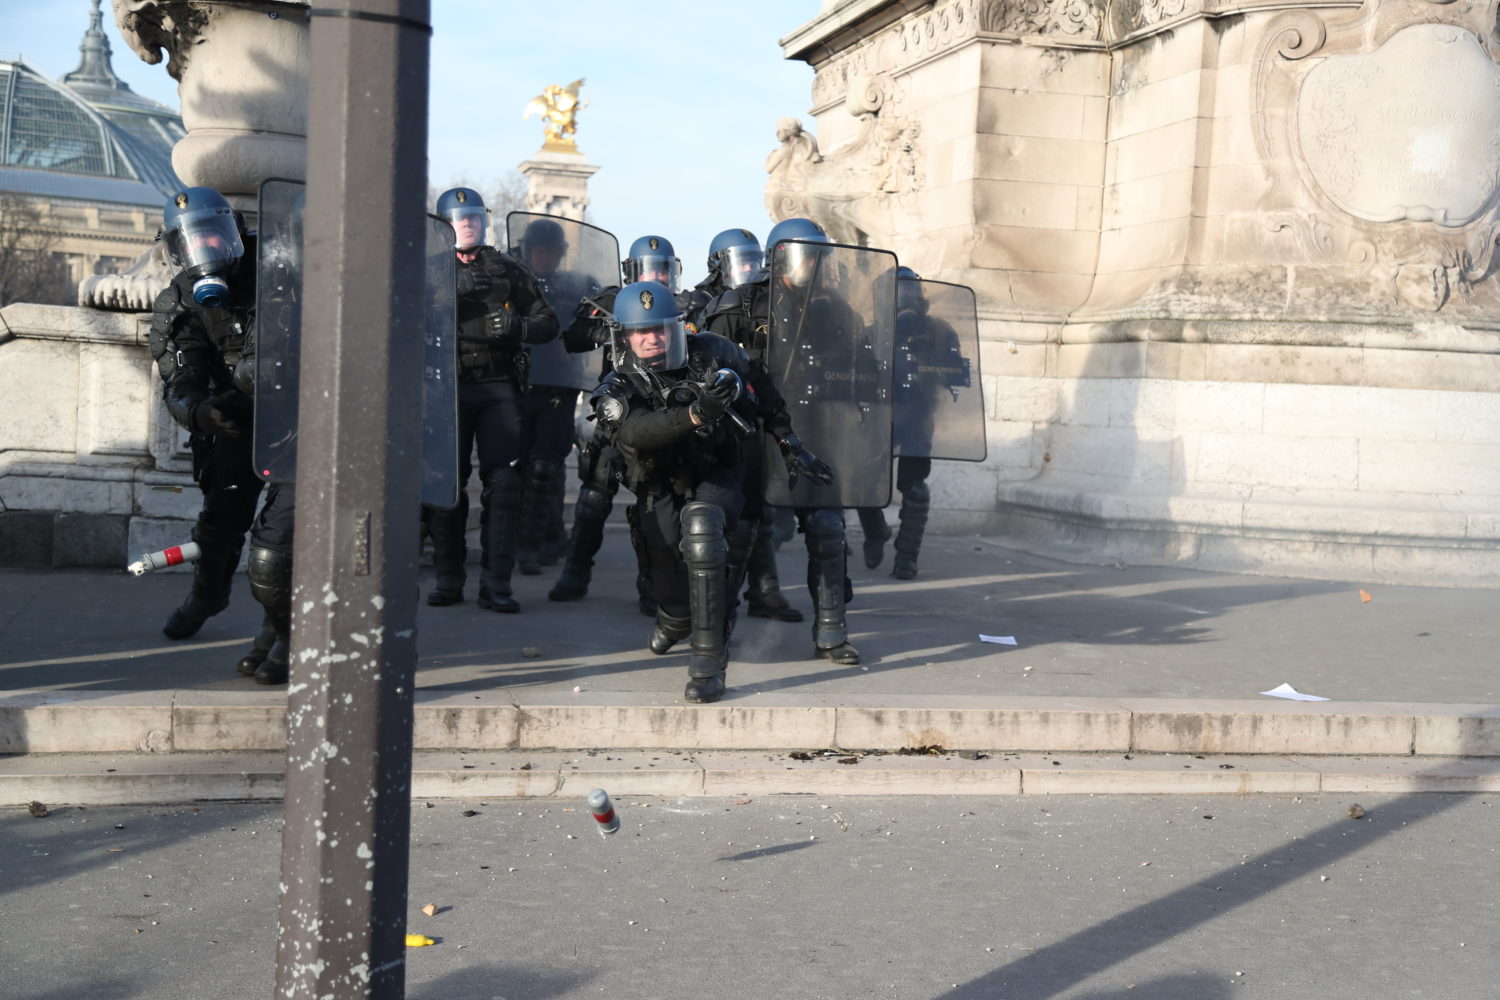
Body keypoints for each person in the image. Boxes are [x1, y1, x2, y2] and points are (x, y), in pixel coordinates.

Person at [592, 281, 830, 702]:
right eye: (640, 331)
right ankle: (673, 620)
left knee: (703, 530)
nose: (651, 338)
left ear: (676, 327)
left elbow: (763, 388)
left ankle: (708, 663)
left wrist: (789, 441)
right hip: (658, 484)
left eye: (660, 328)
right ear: (625, 336)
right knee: (673, 594)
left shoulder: (713, 351)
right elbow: (637, 432)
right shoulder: (617, 384)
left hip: (716, 470)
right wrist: (695, 414)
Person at [703, 217, 866, 663]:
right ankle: (714, 637)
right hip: (751, 434)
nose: (812, 264)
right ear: (778, 258)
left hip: (812, 430)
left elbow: (861, 366)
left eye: (818, 256)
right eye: (804, 255)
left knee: (827, 527)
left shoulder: (836, 310)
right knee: (739, 532)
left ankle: (831, 634)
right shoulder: (737, 306)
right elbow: (706, 367)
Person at [151, 186, 280, 680]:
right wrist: (200, 413)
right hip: (234, 415)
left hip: (295, 410)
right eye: (191, 242)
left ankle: (278, 627)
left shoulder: (278, 268)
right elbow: (178, 379)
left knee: (285, 535)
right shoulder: (182, 298)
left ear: (234, 231)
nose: (204, 249)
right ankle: (207, 596)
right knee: (220, 519)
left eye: (212, 236)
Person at [423, 188, 559, 612]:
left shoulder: (508, 269)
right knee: (447, 483)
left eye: (475, 217)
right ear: (445, 225)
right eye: (460, 218)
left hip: (498, 385)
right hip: (446, 387)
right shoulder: (428, 270)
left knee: (504, 483)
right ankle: (449, 578)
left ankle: (496, 583)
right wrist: (449, 291)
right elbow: (401, 316)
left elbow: (548, 322)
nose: (469, 224)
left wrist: (519, 326)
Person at [546, 234, 681, 610]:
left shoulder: (679, 305)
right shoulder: (612, 302)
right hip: (617, 409)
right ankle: (575, 572)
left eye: (663, 270)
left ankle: (653, 585)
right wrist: (610, 331)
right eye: (649, 269)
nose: (657, 277)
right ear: (631, 271)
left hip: (662, 412)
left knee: (655, 503)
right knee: (594, 496)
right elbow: (572, 337)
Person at [857, 267, 968, 579]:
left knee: (915, 489)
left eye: (912, 292)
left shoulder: (940, 331)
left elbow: (956, 374)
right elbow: (858, 378)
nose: (908, 298)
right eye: (901, 292)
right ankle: (876, 531)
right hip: (880, 416)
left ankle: (907, 556)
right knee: (863, 484)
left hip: (919, 414)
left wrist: (933, 365)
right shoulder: (871, 334)